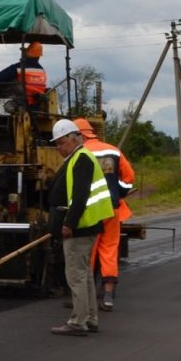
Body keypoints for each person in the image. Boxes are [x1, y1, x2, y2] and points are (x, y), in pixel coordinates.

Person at [48, 119, 115, 336]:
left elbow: (79, 196)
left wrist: (69, 223)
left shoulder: (82, 159)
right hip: (85, 226)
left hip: (81, 227)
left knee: (76, 275)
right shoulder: (78, 158)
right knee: (84, 275)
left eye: (61, 143)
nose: (59, 148)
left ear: (74, 138)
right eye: (56, 144)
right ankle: (90, 319)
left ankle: (78, 322)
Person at [73, 118, 135, 312]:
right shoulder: (113, 151)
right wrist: (118, 192)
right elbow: (129, 178)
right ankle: (108, 297)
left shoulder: (80, 153)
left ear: (80, 135)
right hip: (111, 209)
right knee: (109, 249)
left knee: (87, 252)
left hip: (90, 211)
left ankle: (84, 298)